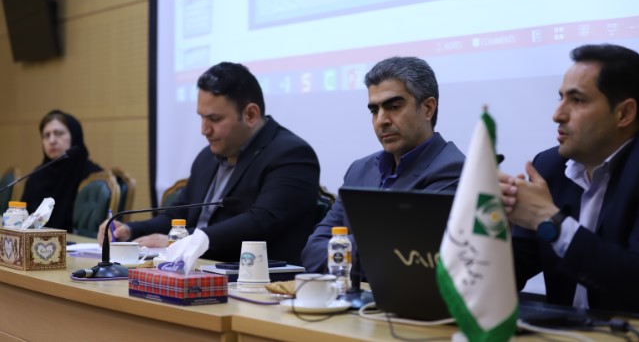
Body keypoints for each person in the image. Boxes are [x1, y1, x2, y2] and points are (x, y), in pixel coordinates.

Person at [98, 62, 320, 264]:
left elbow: (260, 222)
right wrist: (130, 230)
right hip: (197, 270)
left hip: (253, 278)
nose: (204, 130)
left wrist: (184, 242)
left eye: (214, 119)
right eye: (201, 117)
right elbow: (176, 218)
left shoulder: (291, 155)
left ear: (251, 115)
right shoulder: (207, 157)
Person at [501, 44, 639, 313]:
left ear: (624, 114)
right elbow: (510, 274)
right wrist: (493, 228)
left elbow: (636, 283)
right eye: (561, 98)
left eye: (577, 100)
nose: (558, 114)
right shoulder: (550, 166)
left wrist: (550, 220)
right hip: (562, 331)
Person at [301, 56, 465, 274]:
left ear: (427, 108)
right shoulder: (359, 170)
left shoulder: (455, 171)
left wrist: (347, 248)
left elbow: (402, 257)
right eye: (374, 110)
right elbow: (312, 252)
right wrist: (372, 246)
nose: (381, 120)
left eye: (394, 107)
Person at [22, 110, 103, 232]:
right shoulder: (36, 177)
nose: (52, 140)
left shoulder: (94, 177)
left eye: (59, 133)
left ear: (75, 136)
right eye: (46, 135)